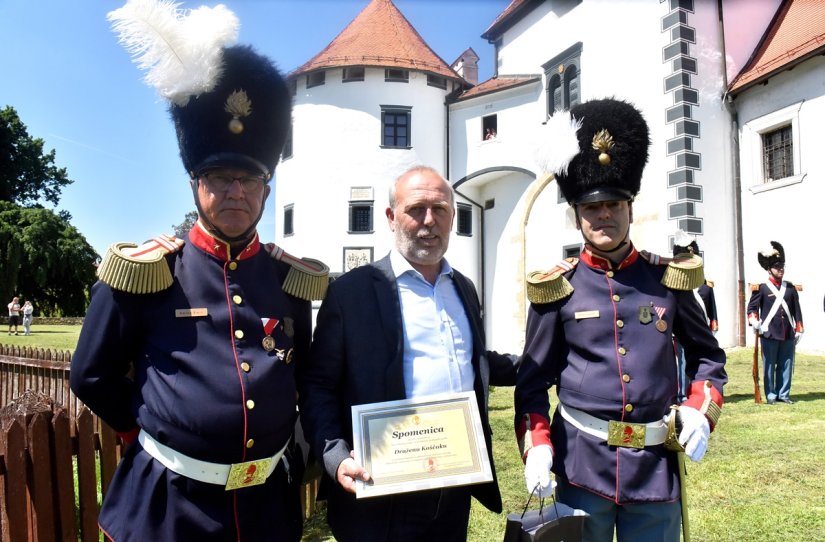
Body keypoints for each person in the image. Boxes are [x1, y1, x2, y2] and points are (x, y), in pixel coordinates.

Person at [70, 2, 328, 541]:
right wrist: (152, 431)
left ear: (266, 189)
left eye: (250, 179)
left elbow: (304, 372)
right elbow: (90, 375)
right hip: (169, 508)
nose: (235, 191)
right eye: (219, 176)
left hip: (266, 510)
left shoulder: (289, 282)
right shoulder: (147, 272)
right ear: (194, 184)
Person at [515, 98, 727, 542]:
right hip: (581, 466)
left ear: (631, 207)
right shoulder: (557, 289)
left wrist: (700, 412)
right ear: (577, 217)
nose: (604, 214)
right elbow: (532, 384)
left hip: (654, 471)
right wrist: (537, 447)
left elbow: (709, 358)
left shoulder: (669, 280)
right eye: (592, 208)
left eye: (614, 203)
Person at [299, 165, 519, 542]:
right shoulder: (350, 293)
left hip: (453, 482)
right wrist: (335, 455)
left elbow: (473, 359)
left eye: (440, 210)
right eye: (416, 209)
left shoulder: (463, 288)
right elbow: (319, 384)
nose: (429, 222)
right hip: (379, 489)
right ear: (390, 216)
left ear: (452, 217)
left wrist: (544, 361)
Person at [747, 241, 803, 405]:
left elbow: (796, 311)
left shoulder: (790, 288)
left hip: (787, 333)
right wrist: (755, 321)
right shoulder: (762, 288)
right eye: (777, 267)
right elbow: (751, 308)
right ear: (769, 269)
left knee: (786, 365)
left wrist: (799, 329)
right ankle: (771, 395)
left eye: (782, 267)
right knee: (770, 367)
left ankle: (784, 394)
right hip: (769, 332)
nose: (781, 270)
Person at [672, 231, 719, 401]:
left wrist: (713, 326)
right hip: (681, 332)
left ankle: (698, 391)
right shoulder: (675, 286)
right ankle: (683, 393)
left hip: (701, 331)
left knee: (702, 363)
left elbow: (711, 309)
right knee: (682, 363)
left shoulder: (706, 287)